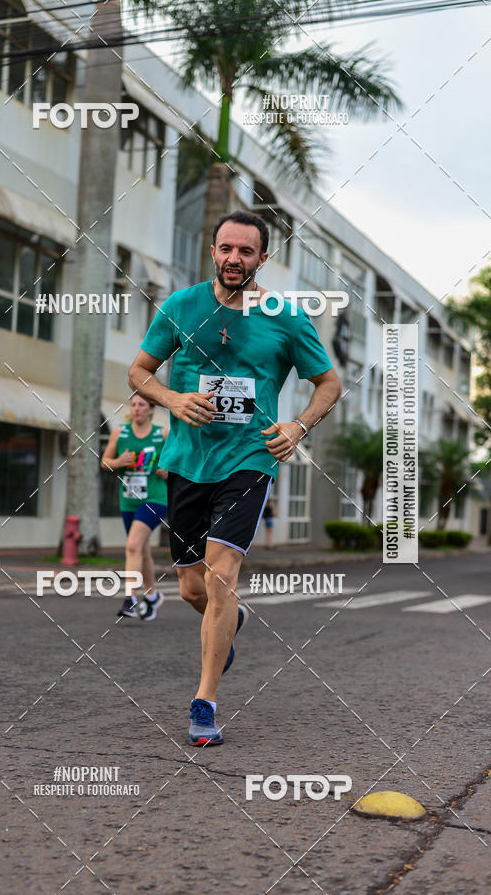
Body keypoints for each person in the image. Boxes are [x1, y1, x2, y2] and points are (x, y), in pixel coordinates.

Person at [128, 209, 342, 745]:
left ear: (262, 258)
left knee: (223, 576)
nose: (234, 259)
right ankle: (232, 624)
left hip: (250, 458)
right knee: (191, 588)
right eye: (226, 248)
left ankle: (204, 704)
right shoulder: (181, 306)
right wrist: (173, 398)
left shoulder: (286, 317)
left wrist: (297, 426)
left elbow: (329, 383)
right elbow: (138, 373)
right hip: (186, 460)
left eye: (246, 251)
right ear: (213, 251)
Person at [101, 395, 168, 621]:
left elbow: (178, 463)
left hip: (155, 498)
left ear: (151, 410)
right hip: (128, 499)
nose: (137, 409)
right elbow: (105, 461)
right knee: (141, 550)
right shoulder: (121, 432)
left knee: (132, 546)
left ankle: (129, 598)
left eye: (142, 405)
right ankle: (152, 595)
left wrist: (167, 472)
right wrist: (119, 462)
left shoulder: (163, 434)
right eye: (134, 405)